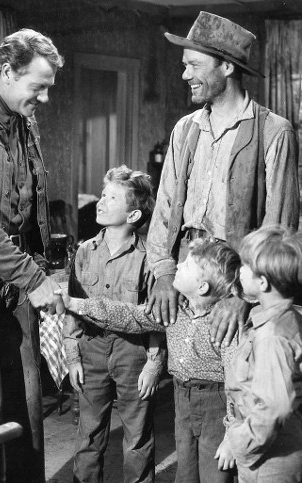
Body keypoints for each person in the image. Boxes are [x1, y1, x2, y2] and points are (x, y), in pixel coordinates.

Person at [146, 11, 300, 344]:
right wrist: (163, 272)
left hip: (237, 284)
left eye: (194, 65)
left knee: (233, 385)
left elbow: (280, 229)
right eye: (184, 65)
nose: (185, 74)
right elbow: (165, 208)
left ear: (227, 67)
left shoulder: (274, 131)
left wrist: (242, 296)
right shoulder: (185, 130)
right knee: (186, 380)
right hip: (186, 279)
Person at [61, 238, 241, 483]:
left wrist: (233, 434)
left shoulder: (225, 324)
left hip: (216, 404)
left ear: (202, 287)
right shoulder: (173, 309)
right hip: (183, 400)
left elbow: (237, 384)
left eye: (187, 265)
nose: (178, 267)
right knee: (186, 474)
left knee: (216, 474)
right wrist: (76, 304)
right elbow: (126, 315)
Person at [0, 29, 64, 483]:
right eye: (39, 86)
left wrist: (40, 272)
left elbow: (31, 206)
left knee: (28, 411)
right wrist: (33, 278)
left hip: (20, 284)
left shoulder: (22, 120)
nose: (45, 98)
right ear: (7, 73)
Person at [63, 165, 166, 483]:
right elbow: (71, 309)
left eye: (111, 197)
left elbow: (157, 319)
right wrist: (72, 355)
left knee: (137, 439)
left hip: (133, 354)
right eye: (102, 194)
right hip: (91, 350)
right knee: (88, 438)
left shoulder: (149, 258)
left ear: (133, 215)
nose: (101, 201)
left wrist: (154, 363)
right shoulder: (84, 252)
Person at [216, 225, 302, 482]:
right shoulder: (284, 319)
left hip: (270, 459)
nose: (239, 270)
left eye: (244, 266)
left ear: (262, 282)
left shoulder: (272, 336)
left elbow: (275, 406)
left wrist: (240, 443)